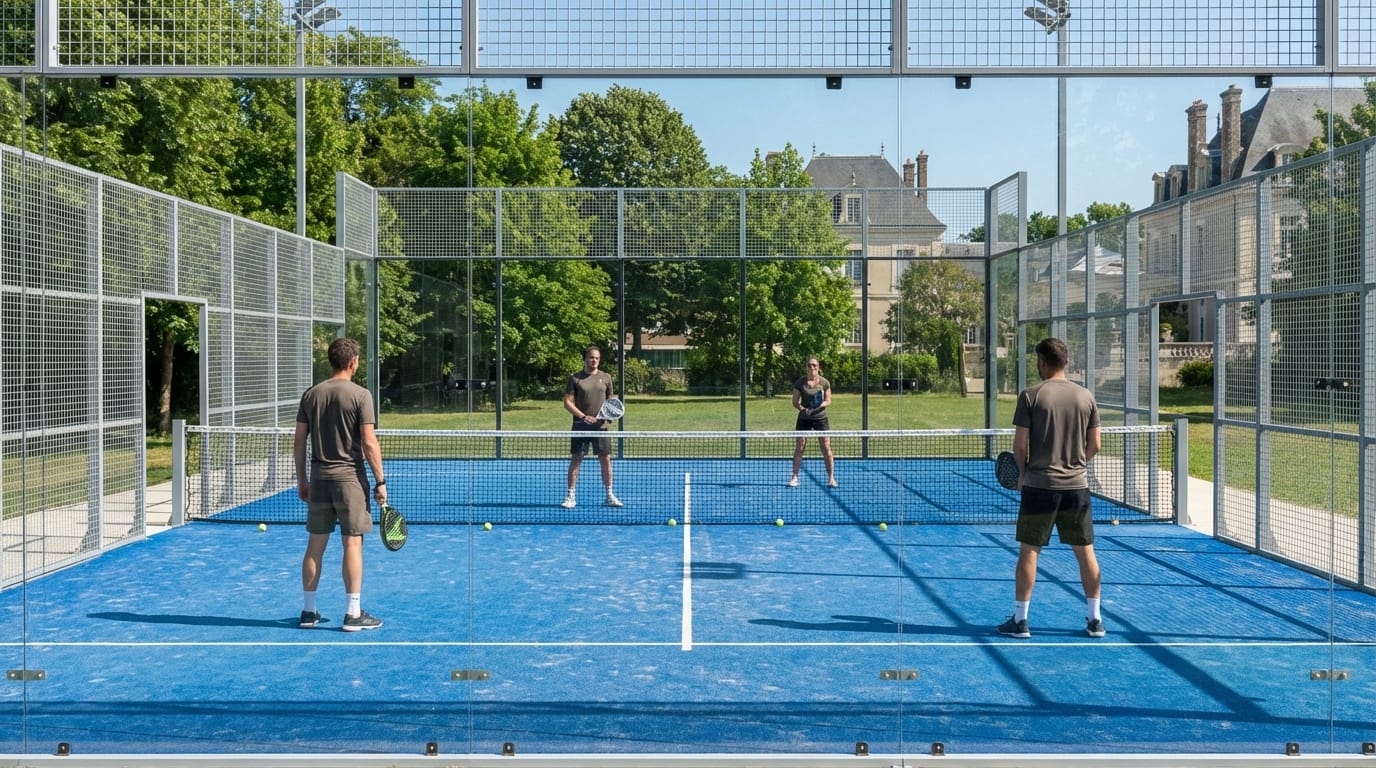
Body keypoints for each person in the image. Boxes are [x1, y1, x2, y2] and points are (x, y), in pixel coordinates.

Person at [998, 337, 1104, 639]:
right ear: (1066, 362)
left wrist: (1022, 473)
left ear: (1042, 362)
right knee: (1086, 553)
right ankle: (1095, 619)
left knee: (1029, 552)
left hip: (1039, 488)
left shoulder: (1031, 395)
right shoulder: (1086, 397)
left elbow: (1020, 446)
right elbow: (1095, 444)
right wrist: (1077, 464)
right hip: (1077, 488)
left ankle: (1020, 621)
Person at [293, 337, 386, 632]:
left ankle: (308, 612)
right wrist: (380, 481)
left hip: (319, 480)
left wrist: (303, 480)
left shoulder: (311, 395)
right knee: (352, 543)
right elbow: (369, 443)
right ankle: (353, 613)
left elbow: (298, 442)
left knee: (314, 546)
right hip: (349, 481)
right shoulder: (361, 395)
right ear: (353, 362)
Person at [561, 344, 622, 509]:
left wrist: (610, 414)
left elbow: (612, 400)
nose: (594, 360)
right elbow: (567, 402)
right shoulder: (575, 378)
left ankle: (609, 495)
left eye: (596, 358)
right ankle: (570, 496)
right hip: (580, 426)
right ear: (585, 359)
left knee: (605, 459)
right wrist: (582, 416)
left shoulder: (606, 378)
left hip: (601, 428)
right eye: (591, 357)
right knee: (576, 459)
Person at [788, 357, 837, 488]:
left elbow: (828, 400)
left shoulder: (824, 382)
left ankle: (831, 478)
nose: (812, 368)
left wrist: (819, 407)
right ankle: (794, 477)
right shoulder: (800, 383)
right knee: (800, 447)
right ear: (806, 367)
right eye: (809, 365)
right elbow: (795, 402)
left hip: (820, 418)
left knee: (826, 447)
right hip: (804, 418)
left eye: (814, 365)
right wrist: (803, 409)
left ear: (818, 367)